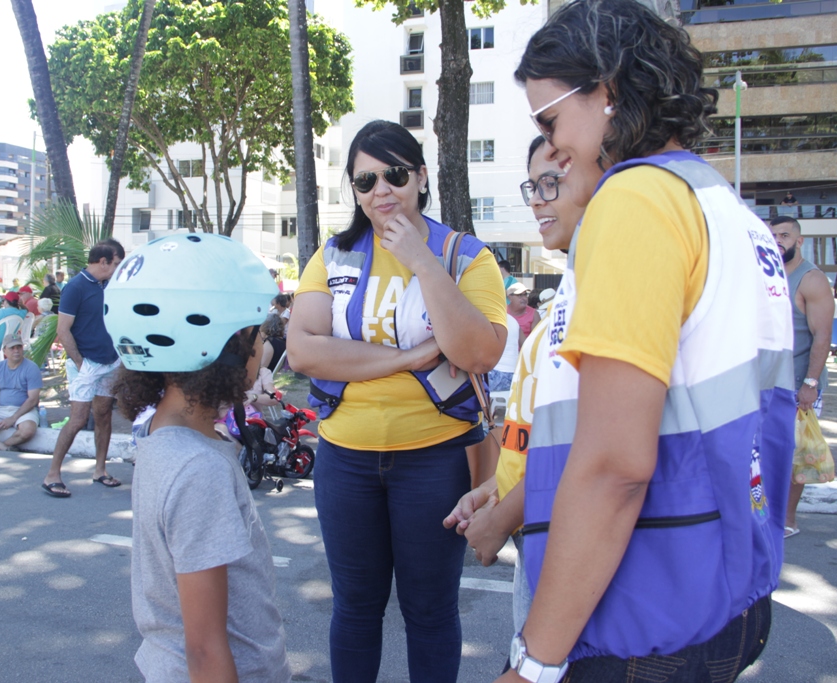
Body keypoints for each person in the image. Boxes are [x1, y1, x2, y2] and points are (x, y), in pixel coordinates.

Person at [500, 1, 794, 680]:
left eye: (549, 121)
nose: (552, 148)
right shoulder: (725, 208)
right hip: (727, 591)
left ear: (606, 90)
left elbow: (614, 465)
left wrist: (534, 662)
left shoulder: (634, 199)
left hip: (643, 609)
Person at [287, 119, 506, 683]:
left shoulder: (463, 255)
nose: (380, 190)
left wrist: (421, 260)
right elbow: (304, 351)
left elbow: (479, 352)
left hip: (437, 458)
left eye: (395, 175)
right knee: (355, 608)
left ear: (422, 177)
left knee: (430, 611)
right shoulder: (333, 255)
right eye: (365, 181)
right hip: (345, 458)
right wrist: (409, 358)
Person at [105, 233, 290, 682]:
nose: (262, 348)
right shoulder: (198, 469)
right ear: (231, 345)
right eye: (258, 335)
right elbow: (205, 650)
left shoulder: (162, 433)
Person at [445, 134, 603, 643]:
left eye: (551, 182)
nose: (536, 199)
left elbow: (594, 445)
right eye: (532, 186)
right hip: (538, 528)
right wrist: (496, 489)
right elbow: (538, 433)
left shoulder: (604, 289)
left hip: (570, 539)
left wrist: (501, 518)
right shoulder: (572, 290)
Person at [41, 239, 125, 498]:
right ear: (104, 262)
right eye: (117, 263)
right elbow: (63, 330)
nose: (119, 269)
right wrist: (80, 363)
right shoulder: (75, 287)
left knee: (104, 414)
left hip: (110, 361)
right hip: (86, 363)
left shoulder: (110, 285)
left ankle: (100, 470)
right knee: (77, 419)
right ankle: (52, 474)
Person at [770, 215, 834, 539]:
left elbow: (822, 336)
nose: (778, 240)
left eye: (784, 235)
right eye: (773, 235)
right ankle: (769, 516)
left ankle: (788, 519)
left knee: (795, 457)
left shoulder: (811, 280)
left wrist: (810, 384)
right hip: (769, 381)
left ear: (799, 240)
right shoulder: (767, 273)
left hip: (799, 384)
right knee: (771, 452)